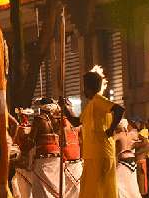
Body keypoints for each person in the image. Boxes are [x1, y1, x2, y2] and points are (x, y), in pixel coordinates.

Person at [62, 67, 125, 198]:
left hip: (101, 153)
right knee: (90, 191)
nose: (83, 90)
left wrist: (111, 129)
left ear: (89, 88)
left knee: (99, 192)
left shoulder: (98, 99)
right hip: (92, 154)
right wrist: (66, 109)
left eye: (84, 87)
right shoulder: (91, 104)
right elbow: (76, 122)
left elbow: (119, 109)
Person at [27, 98, 63, 198]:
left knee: (40, 189)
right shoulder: (58, 119)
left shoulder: (38, 120)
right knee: (55, 188)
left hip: (44, 159)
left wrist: (23, 152)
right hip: (57, 159)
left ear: (41, 108)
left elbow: (31, 141)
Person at [115, 119, 143, 198]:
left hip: (124, 161)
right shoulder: (133, 134)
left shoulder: (121, 134)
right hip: (132, 160)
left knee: (117, 181)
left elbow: (110, 140)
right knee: (131, 183)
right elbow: (144, 142)